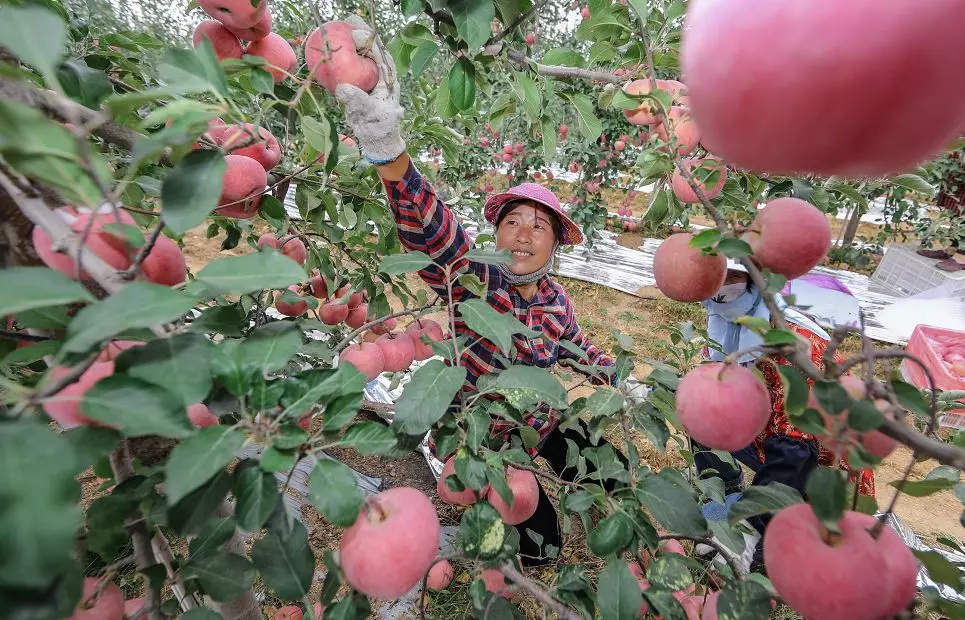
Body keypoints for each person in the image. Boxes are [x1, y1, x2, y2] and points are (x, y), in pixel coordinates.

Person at [333, 17, 625, 566]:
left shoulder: (556, 301)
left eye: (540, 226)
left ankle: (614, 501)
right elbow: (432, 231)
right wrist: (389, 151)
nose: (523, 233)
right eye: (514, 220)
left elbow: (576, 348)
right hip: (486, 436)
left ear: (554, 246)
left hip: (538, 421)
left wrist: (614, 377)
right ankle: (513, 541)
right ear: (497, 232)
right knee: (543, 544)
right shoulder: (474, 277)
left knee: (609, 467)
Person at [694, 262, 875, 570]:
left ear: (757, 282)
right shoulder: (733, 333)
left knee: (771, 562)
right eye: (717, 277)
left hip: (820, 471)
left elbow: (796, 453)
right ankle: (726, 486)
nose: (723, 287)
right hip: (775, 442)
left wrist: (750, 524)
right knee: (700, 408)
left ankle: (782, 520)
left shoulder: (795, 353)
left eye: (734, 276)